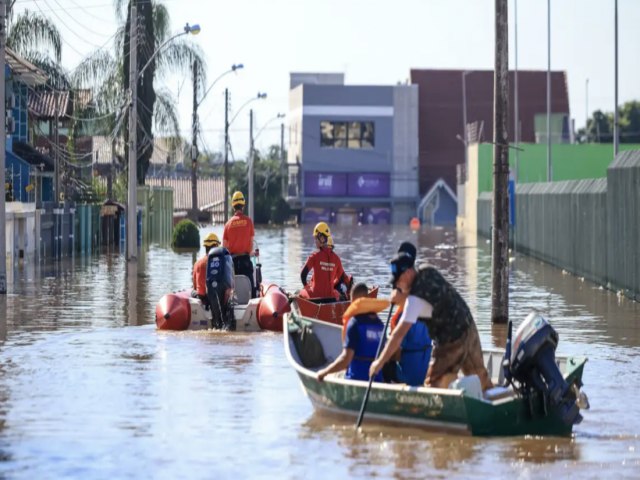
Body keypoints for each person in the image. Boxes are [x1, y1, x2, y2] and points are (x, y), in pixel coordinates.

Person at [370, 242, 493, 391]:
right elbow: (429, 295)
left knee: (433, 385)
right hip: (468, 326)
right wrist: (404, 297)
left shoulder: (413, 302)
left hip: (451, 340)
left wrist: (380, 362)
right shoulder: (427, 270)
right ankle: (495, 402)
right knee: (480, 377)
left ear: (408, 274)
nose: (398, 285)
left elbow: (398, 335)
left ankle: (433, 412)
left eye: (398, 280)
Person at [382, 242, 432, 386]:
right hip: (423, 369)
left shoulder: (402, 315)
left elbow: (396, 352)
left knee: (381, 362)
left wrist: (382, 358)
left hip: (407, 375)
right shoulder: (425, 303)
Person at [317, 282, 387, 382]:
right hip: (377, 379)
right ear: (367, 299)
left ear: (353, 300)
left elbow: (345, 360)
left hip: (356, 378)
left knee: (334, 374)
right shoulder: (380, 324)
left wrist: (324, 373)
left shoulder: (354, 323)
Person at [300, 223, 349, 300]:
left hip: (315, 297)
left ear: (322, 238)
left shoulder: (314, 256)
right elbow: (341, 278)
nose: (315, 241)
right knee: (337, 293)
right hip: (331, 297)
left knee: (300, 292)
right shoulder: (337, 259)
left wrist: (307, 287)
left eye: (316, 238)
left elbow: (303, 275)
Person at [223, 191, 257, 297]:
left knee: (232, 290)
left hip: (232, 264)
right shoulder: (249, 222)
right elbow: (251, 245)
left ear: (233, 206)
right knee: (251, 290)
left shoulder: (228, 224)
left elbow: (224, 248)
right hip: (246, 262)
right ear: (243, 205)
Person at [192, 233, 221, 305]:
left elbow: (195, 286)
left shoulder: (197, 263)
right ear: (216, 246)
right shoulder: (221, 263)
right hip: (216, 298)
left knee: (192, 292)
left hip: (201, 297)